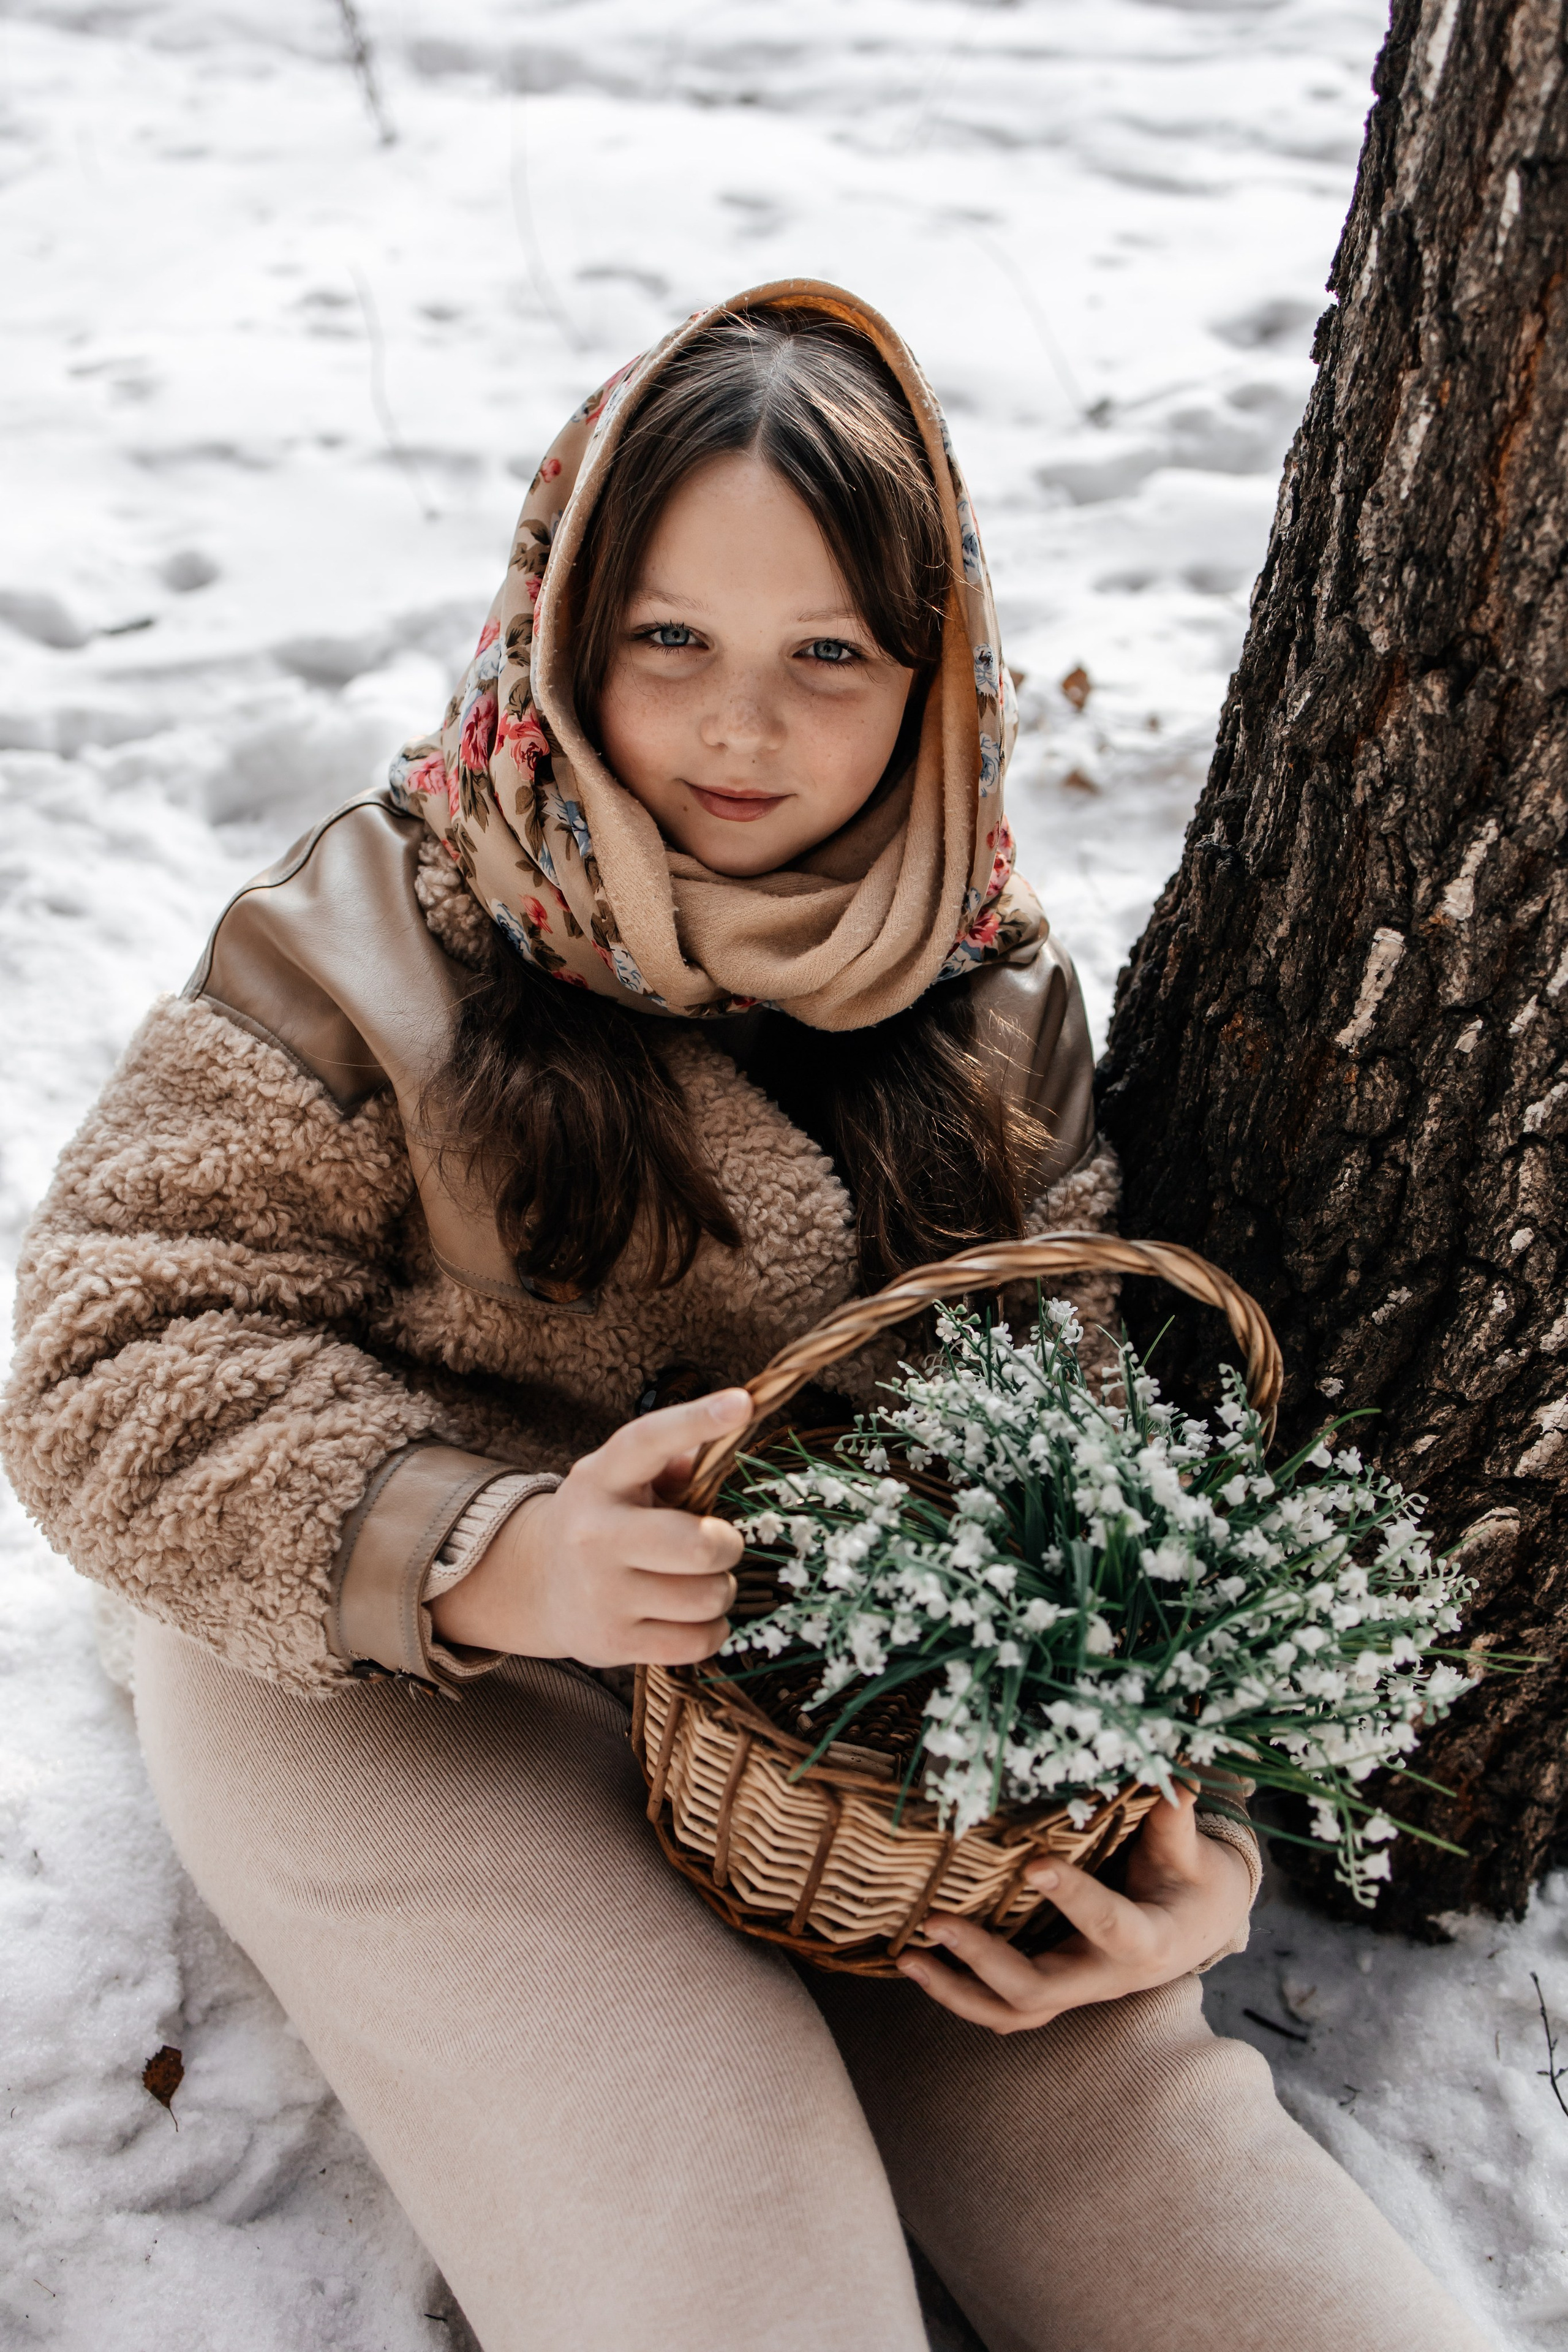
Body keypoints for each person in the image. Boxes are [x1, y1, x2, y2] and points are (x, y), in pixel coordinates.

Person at [0, 284, 1490, 2352]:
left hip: (825, 1709)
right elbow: (111, 1338)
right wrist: (489, 1547)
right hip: (390, 1650)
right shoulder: (375, 932)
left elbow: (1080, 1443)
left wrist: (1185, 1830)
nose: (738, 731)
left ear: (932, 677)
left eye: (830, 660)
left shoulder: (983, 996)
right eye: (670, 640)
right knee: (704, 2186)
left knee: (1131, 2133)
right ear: (566, 618)